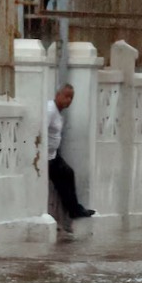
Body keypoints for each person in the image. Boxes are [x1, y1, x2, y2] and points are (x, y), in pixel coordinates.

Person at [47, 84, 95, 219]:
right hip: (46, 157)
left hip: (53, 155)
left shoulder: (57, 112)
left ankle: (75, 210)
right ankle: (74, 210)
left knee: (68, 174)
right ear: (58, 95)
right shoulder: (50, 110)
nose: (68, 100)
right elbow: (41, 130)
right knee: (64, 178)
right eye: (66, 96)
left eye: (71, 98)